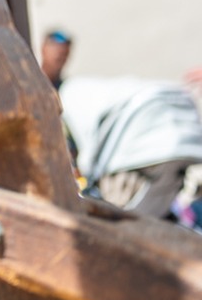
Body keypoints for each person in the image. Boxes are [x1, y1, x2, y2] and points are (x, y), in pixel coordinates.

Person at [60, 76, 202, 218]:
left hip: (140, 148)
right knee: (151, 219)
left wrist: (90, 170)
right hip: (185, 141)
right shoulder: (82, 93)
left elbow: (84, 154)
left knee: (121, 221)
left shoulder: (67, 102)